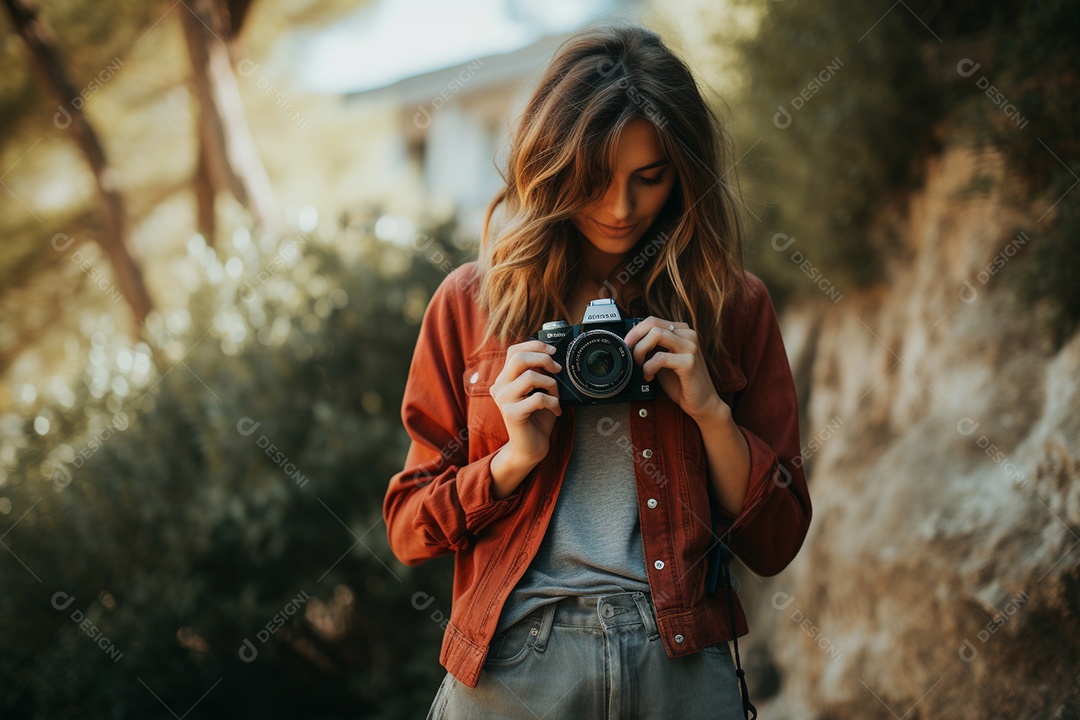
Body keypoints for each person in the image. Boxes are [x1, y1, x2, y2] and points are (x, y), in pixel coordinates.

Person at [383, 22, 812, 720]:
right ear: (553, 166)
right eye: (593, 179)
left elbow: (779, 538)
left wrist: (709, 413)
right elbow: (407, 527)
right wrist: (513, 461)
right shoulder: (472, 302)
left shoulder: (731, 304)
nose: (620, 208)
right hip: (519, 657)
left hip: (680, 661)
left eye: (651, 177)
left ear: (685, 169)